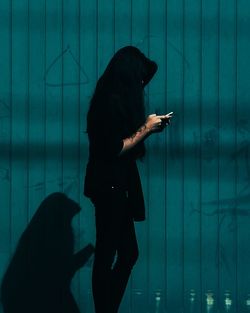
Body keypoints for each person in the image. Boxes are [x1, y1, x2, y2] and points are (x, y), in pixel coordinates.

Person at [83, 46, 173, 313]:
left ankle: (107, 310)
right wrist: (145, 129)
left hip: (117, 186)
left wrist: (147, 129)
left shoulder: (114, 101)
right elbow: (114, 148)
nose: (142, 86)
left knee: (124, 253)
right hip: (109, 187)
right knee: (109, 254)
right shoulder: (107, 102)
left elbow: (124, 145)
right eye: (139, 79)